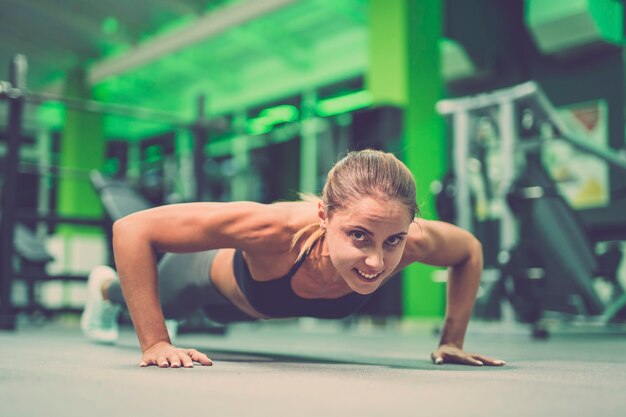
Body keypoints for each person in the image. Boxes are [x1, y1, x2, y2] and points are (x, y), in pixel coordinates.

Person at [81, 149, 505, 369]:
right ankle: (103, 287)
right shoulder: (270, 228)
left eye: (392, 240)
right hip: (200, 281)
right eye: (358, 236)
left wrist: (451, 340)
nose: (376, 261)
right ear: (324, 214)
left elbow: (468, 250)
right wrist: (155, 341)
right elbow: (132, 229)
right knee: (139, 297)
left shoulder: (412, 240)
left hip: (251, 312)